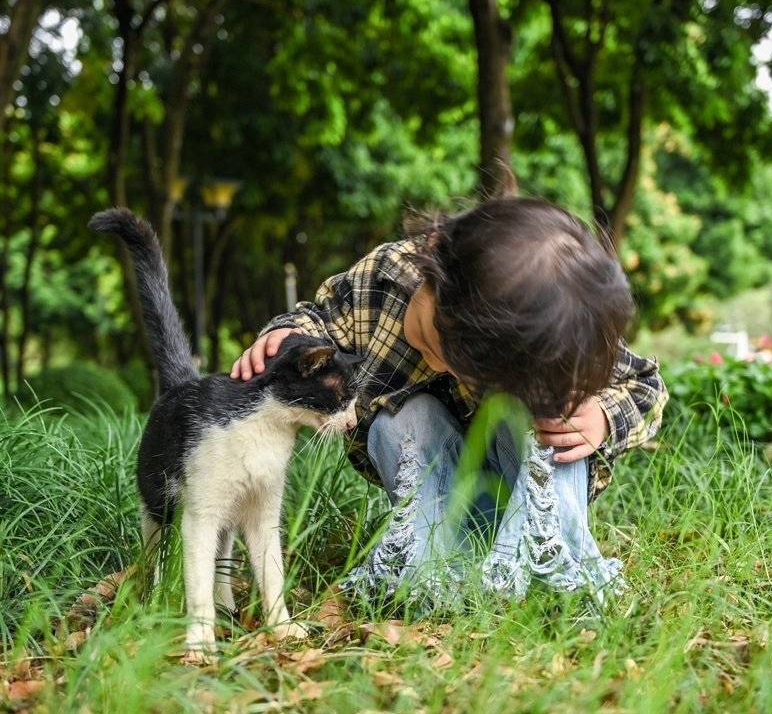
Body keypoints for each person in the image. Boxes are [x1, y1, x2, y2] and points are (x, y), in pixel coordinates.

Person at [231, 198, 668, 612]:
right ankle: (434, 574)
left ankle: (556, 580)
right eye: (434, 338)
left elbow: (645, 385)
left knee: (557, 416)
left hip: (524, 501)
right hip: (433, 497)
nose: (439, 364)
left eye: (469, 370)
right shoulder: (384, 278)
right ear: (434, 262)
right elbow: (320, 321)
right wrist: (288, 334)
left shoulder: (552, 339)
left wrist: (603, 418)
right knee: (405, 414)